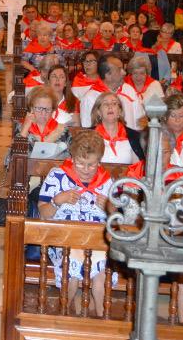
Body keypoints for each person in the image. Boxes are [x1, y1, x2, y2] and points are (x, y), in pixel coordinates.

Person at [37, 129, 115, 311]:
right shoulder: (57, 176)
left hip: (96, 240)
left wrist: (109, 208)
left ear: (99, 161)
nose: (86, 170)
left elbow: (117, 219)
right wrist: (58, 201)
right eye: (80, 164)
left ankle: (101, 320)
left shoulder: (106, 180)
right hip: (64, 238)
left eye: (92, 165)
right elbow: (43, 213)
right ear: (72, 158)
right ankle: (64, 313)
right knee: (70, 265)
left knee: (102, 270)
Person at [90, 91, 143, 165]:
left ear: (120, 111)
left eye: (114, 103)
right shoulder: (88, 135)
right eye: (105, 104)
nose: (110, 106)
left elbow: (139, 168)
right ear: (99, 112)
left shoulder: (134, 136)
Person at [71, 51, 106, 127]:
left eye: (91, 61)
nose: (88, 64)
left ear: (99, 63)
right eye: (85, 61)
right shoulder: (78, 79)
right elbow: (74, 105)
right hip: (80, 121)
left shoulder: (104, 81)